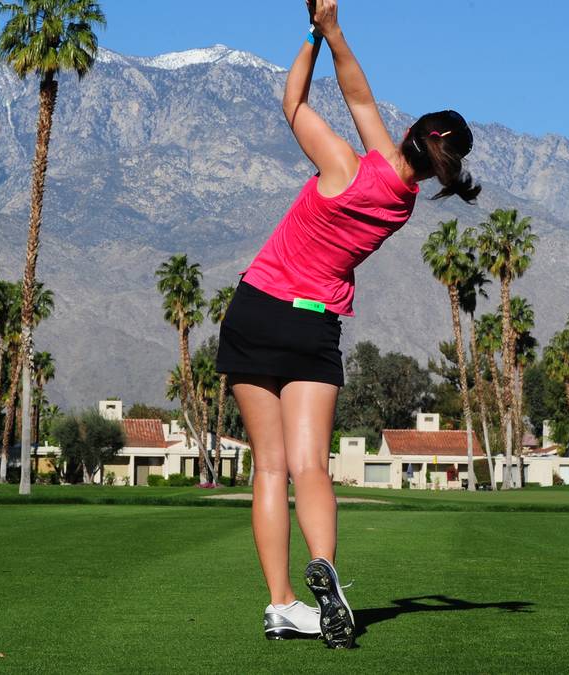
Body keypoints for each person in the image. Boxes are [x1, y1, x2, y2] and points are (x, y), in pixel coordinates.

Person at [215, 0, 480, 648]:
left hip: (254, 312)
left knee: (268, 468)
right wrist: (335, 34)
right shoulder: (401, 201)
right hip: (313, 327)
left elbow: (297, 100)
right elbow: (364, 102)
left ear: (414, 131)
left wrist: (319, 31)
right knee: (311, 468)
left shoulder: (340, 165)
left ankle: (280, 603)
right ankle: (326, 572)